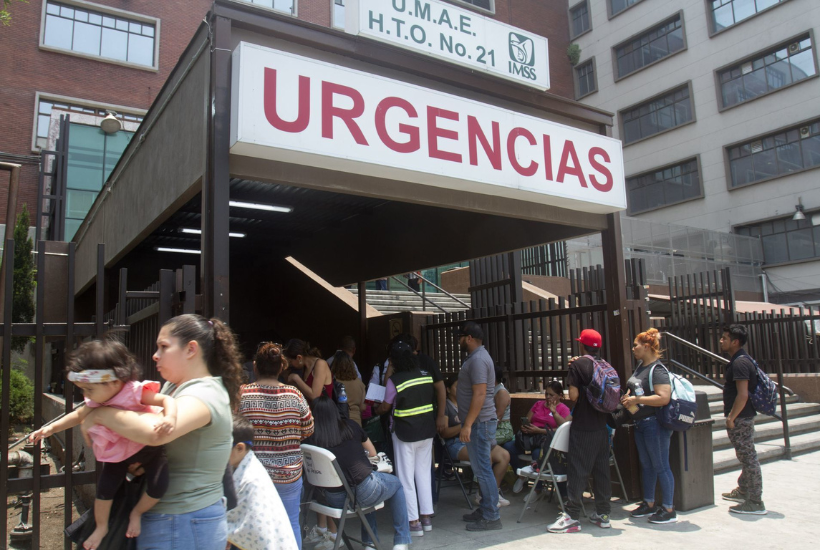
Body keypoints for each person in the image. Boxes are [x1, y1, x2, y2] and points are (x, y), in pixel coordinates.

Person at [80, 314, 242, 550]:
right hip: (174, 519)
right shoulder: (174, 387)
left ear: (191, 349)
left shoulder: (204, 393)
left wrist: (99, 415)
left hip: (184, 521)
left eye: (164, 347)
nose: (155, 355)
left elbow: (155, 433)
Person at [29, 339, 175, 550]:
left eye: (88, 389)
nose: (85, 395)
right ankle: (101, 527)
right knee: (104, 490)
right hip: (118, 453)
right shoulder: (97, 399)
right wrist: (49, 429)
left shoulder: (134, 391)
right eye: (82, 389)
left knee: (159, 485)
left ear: (115, 382)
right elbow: (78, 415)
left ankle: (137, 512)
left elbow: (166, 401)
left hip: (148, 449)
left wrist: (169, 418)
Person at [306, 396, 411, 550]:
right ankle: (401, 541)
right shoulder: (350, 426)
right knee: (396, 484)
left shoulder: (310, 437)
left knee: (362, 489)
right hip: (363, 491)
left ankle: (370, 543)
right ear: (335, 411)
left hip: (333, 498)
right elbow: (373, 452)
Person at [239, 342, 314, 548]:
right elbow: (308, 429)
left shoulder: (243, 395)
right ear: (281, 367)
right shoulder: (294, 394)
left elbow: (233, 432)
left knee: (254, 527)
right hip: (288, 474)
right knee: (291, 524)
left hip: (255, 474)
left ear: (255, 367)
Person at [548, 328, 615, 533]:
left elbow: (574, 396)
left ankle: (572, 516)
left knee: (577, 470)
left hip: (583, 427)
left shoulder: (578, 365)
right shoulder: (606, 365)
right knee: (602, 471)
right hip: (602, 428)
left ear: (581, 344)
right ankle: (603, 515)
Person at [376, 341, 436, 536]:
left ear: (393, 361)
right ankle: (426, 517)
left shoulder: (395, 380)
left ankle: (414, 521)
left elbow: (385, 406)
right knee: (424, 473)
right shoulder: (426, 376)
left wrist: (376, 410)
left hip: (404, 433)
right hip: (426, 432)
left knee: (406, 477)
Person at [620, 328, 676, 524]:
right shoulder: (640, 367)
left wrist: (637, 398)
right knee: (647, 465)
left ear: (646, 347)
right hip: (640, 422)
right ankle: (649, 502)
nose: (633, 348)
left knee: (660, 465)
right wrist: (629, 398)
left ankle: (668, 508)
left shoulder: (658, 370)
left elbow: (663, 397)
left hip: (655, 424)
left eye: (636, 345)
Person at [455, 321, 502, 531]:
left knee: (483, 470)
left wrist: (467, 424)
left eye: (460, 337)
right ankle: (485, 509)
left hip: (480, 424)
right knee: (481, 469)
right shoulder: (477, 358)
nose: (458, 340)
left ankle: (492, 516)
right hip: (480, 423)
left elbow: (480, 393)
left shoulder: (478, 360)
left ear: (469, 338)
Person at [227, 416, 298, 550]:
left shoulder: (250, 479)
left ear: (240, 448)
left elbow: (252, 529)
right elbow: (308, 428)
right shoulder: (245, 467)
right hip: (288, 472)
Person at [440, 376, 510, 507]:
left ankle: (492, 492)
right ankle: (484, 495)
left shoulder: (466, 403)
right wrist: (464, 426)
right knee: (484, 456)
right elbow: (444, 433)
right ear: (448, 389)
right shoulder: (445, 406)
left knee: (504, 455)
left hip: (473, 439)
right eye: (457, 387)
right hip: (455, 443)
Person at [719, 324, 767, 515]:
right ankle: (744, 490)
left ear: (735, 341)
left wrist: (731, 417)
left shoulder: (740, 363)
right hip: (743, 417)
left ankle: (755, 501)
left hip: (741, 418)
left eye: (724, 338)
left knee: (749, 459)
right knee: (745, 456)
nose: (721, 341)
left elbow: (743, 394)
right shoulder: (741, 360)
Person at [508, 381, 571, 495]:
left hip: (546, 440)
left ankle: (537, 489)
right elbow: (527, 419)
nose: (547, 397)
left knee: (538, 454)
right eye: (546, 394)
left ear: (560, 396)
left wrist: (540, 430)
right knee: (508, 447)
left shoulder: (563, 409)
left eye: (551, 395)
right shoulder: (538, 404)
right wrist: (525, 427)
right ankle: (521, 476)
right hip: (530, 437)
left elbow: (563, 429)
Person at [331, 350, 366, 426]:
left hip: (339, 424)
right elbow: (362, 407)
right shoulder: (360, 384)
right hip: (356, 424)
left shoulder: (334, 383)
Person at [493, 365, 513, 446]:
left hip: (503, 429)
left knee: (482, 440)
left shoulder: (501, 392)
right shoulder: (490, 389)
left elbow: (498, 416)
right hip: (492, 427)